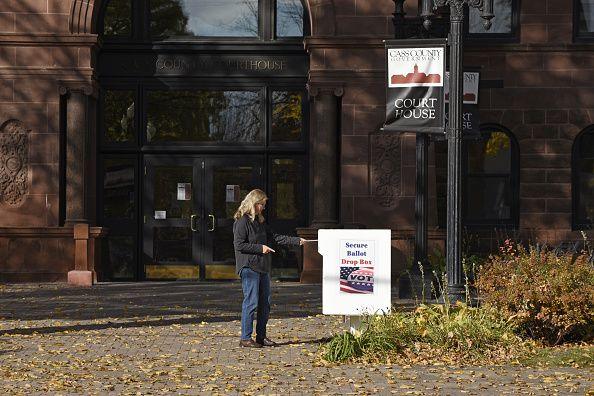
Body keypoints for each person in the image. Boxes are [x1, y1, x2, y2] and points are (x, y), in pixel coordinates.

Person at [233, 189, 305, 348]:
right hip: (249, 267)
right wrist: (260, 248)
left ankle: (261, 336)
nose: (264, 207)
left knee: (265, 304)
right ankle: (245, 338)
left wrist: (297, 241)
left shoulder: (260, 222)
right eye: (262, 204)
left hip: (262, 267)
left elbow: (276, 237)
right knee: (251, 302)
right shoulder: (242, 221)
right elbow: (239, 245)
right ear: (254, 203)